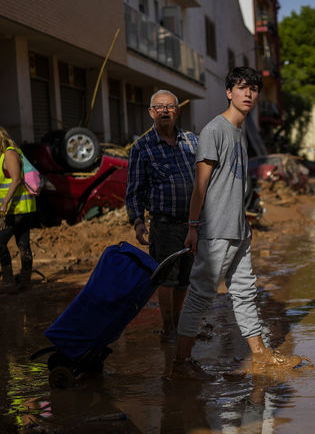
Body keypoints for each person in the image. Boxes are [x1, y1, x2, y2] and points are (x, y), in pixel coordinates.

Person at [171, 67, 303, 380]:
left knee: (245, 293)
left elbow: (230, 186)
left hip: (238, 229)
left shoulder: (239, 132)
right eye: (242, 88)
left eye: (253, 89)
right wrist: (193, 226)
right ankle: (180, 364)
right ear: (229, 92)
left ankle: (261, 355)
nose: (248, 94)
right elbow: (201, 186)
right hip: (216, 231)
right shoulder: (214, 130)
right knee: (202, 294)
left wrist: (244, 221)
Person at [126, 89, 197, 343]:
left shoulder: (192, 141)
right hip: (164, 225)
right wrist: (137, 221)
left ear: (177, 111)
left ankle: (177, 323)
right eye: (159, 107)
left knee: (185, 278)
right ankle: (168, 328)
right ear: (151, 113)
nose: (165, 110)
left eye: (169, 106)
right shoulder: (141, 148)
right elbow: (134, 189)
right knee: (166, 278)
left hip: (193, 225)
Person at [0, 124, 37, 288]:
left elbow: (16, 180)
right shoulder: (8, 154)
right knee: (23, 244)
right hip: (23, 209)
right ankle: (25, 281)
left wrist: (4, 204)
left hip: (15, 210)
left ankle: (9, 281)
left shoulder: (9, 154)